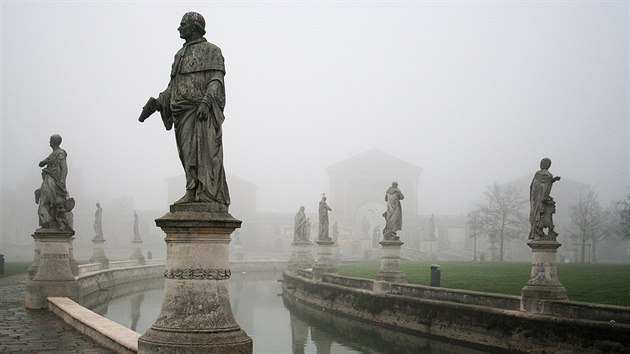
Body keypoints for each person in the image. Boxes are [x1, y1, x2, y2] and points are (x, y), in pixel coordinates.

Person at [140, 12, 229, 205]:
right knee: (187, 153)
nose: (179, 28)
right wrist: (157, 102)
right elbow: (174, 86)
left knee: (202, 154)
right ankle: (192, 187)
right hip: (181, 113)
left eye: (183, 24)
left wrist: (206, 102)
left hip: (200, 113)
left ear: (195, 27)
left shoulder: (211, 50)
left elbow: (216, 81)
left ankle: (202, 193)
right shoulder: (180, 54)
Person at [35, 134, 74, 230]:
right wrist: (44, 162)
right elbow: (41, 164)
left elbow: (64, 168)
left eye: (50, 141)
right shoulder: (52, 154)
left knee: (54, 200)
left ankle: (57, 221)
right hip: (48, 178)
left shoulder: (60, 153)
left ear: (53, 142)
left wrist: (62, 180)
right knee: (45, 199)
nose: (49, 143)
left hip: (54, 180)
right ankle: (47, 222)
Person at [529, 158, 561, 239]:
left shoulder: (546, 175)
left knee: (547, 214)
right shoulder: (539, 174)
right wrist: (543, 196)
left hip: (544, 199)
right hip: (539, 199)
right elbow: (537, 187)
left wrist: (554, 180)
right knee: (540, 214)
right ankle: (538, 230)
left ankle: (548, 230)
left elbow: (546, 183)